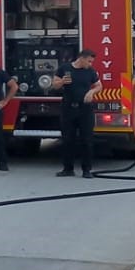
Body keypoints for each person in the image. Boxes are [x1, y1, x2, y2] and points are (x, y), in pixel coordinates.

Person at [55, 47, 101, 178]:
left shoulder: (90, 72)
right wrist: (62, 81)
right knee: (67, 139)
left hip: (85, 109)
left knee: (86, 140)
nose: (90, 64)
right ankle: (67, 168)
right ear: (81, 58)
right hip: (68, 108)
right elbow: (54, 84)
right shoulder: (65, 69)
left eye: (92, 62)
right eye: (89, 61)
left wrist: (91, 92)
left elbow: (99, 86)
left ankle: (86, 170)